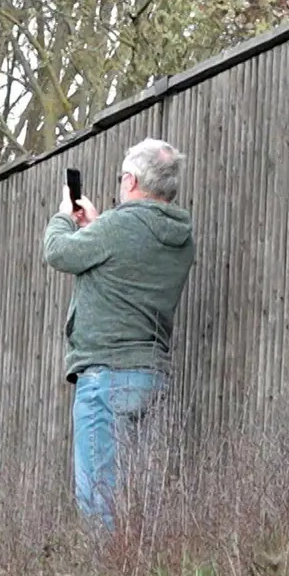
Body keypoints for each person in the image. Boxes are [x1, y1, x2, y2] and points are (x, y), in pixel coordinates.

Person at [43, 137, 197, 529]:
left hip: (105, 377)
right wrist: (97, 227)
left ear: (129, 180)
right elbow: (129, 259)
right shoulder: (181, 237)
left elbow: (59, 252)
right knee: (142, 501)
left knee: (99, 501)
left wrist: (65, 216)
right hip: (152, 378)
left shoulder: (118, 226)